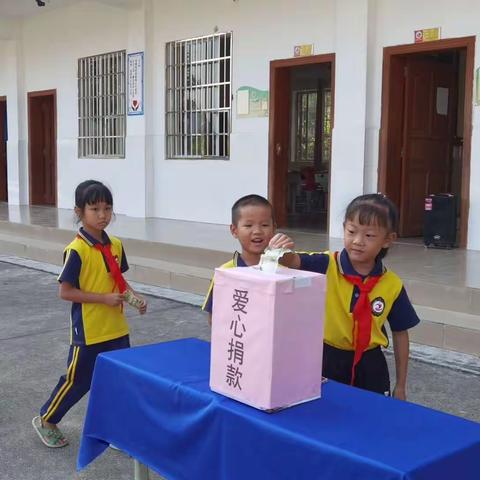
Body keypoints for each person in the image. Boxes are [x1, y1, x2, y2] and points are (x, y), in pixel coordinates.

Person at [270, 194, 420, 399]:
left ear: (388, 240)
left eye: (369, 236)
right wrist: (279, 250)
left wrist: (401, 385)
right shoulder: (326, 264)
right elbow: (293, 261)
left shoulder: (391, 284)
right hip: (326, 359)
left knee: (369, 419)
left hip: (371, 365)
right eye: (351, 231)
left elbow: (401, 333)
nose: (358, 241)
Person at [32, 180, 147, 448]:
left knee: (117, 381)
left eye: (107, 208)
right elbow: (66, 292)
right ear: (79, 212)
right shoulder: (77, 250)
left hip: (117, 327)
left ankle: (113, 429)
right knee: (77, 381)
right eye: (95, 208)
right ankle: (47, 419)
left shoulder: (116, 244)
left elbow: (117, 280)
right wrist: (103, 299)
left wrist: (134, 298)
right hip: (89, 329)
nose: (103, 215)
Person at [202, 194, 291, 324]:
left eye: (265, 225)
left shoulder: (284, 270)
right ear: (234, 230)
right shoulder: (226, 272)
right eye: (248, 226)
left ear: (274, 228)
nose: (257, 231)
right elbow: (214, 319)